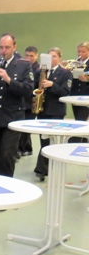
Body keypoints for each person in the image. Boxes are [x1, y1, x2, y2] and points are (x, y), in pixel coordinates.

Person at [0, 33, 34, 177]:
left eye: (7, 47)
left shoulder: (23, 65)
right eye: (1, 47)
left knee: (6, 155)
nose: (3, 51)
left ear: (14, 47)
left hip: (12, 117)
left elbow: (28, 90)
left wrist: (9, 80)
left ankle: (8, 183)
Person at [33, 48, 72, 181]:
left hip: (56, 112)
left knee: (52, 141)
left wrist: (52, 85)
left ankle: (42, 169)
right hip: (42, 110)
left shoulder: (65, 73)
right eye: (49, 57)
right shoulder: (40, 72)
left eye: (54, 56)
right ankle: (44, 168)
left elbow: (65, 92)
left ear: (59, 57)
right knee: (43, 140)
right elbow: (33, 88)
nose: (51, 59)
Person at [19, 46, 40, 155]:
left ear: (36, 56)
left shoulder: (39, 70)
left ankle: (25, 149)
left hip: (32, 101)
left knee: (26, 128)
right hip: (22, 100)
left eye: (31, 56)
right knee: (21, 126)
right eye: (27, 55)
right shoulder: (22, 67)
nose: (28, 58)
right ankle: (25, 148)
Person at [69, 41, 89, 143]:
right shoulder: (75, 62)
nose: (80, 54)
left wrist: (87, 79)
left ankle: (75, 140)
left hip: (86, 95)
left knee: (80, 120)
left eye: (83, 52)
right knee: (78, 117)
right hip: (75, 94)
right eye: (79, 51)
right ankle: (84, 140)